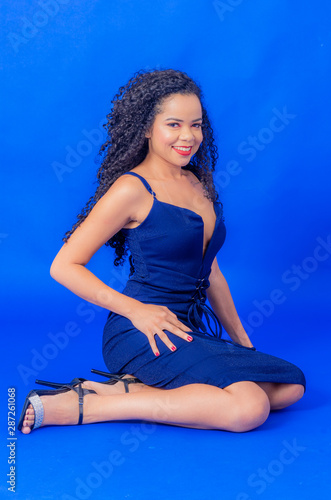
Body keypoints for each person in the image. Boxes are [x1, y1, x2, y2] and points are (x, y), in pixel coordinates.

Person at [18, 69, 305, 434]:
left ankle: (125, 388)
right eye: (174, 124)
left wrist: (242, 343)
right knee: (250, 407)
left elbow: (210, 271)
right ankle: (87, 407)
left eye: (196, 125)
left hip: (188, 329)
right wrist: (136, 311)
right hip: (141, 331)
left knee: (289, 386)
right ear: (146, 128)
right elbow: (64, 266)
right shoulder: (132, 189)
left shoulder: (198, 182)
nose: (188, 137)